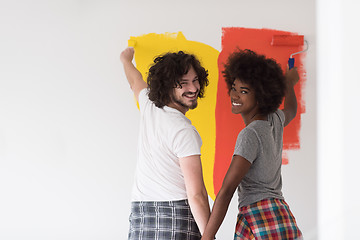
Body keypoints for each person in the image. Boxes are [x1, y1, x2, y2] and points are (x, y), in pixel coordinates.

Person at [201, 49, 303, 240]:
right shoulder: (274, 120)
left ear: (261, 96)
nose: (234, 95)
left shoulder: (250, 134)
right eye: (234, 87)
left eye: (244, 91)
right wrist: (289, 83)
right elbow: (291, 109)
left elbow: (226, 190)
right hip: (280, 215)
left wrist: (207, 237)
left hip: (260, 216)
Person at [120, 47, 210, 240]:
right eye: (183, 84)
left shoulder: (149, 106)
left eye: (195, 81)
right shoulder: (183, 130)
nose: (193, 88)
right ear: (168, 86)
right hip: (176, 217)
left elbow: (134, 80)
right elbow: (197, 195)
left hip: (141, 217)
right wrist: (209, 236)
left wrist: (126, 60)